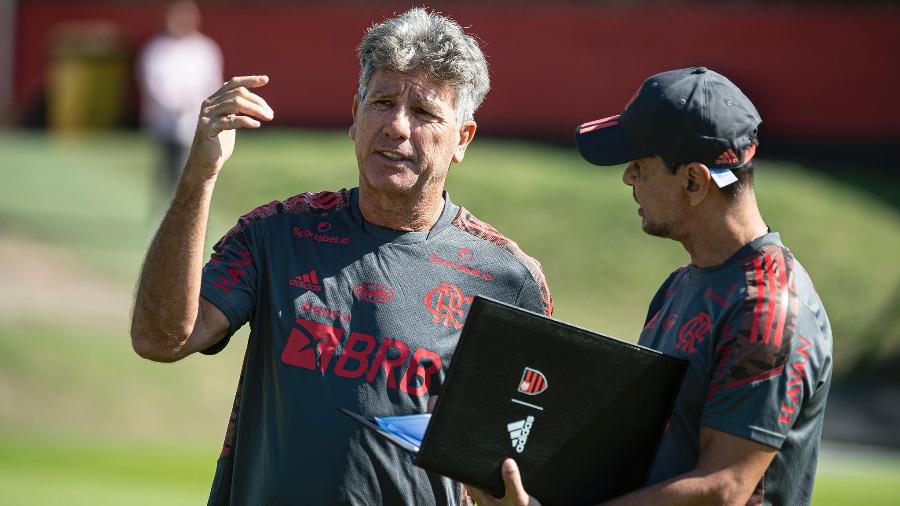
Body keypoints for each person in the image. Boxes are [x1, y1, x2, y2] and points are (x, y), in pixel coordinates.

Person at [130, 8, 553, 506]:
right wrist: (200, 173)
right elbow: (160, 338)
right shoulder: (275, 234)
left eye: (424, 113)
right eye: (383, 102)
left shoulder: (508, 280)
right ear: (355, 118)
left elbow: (516, 466)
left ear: (461, 139)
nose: (397, 126)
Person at [468, 67, 832, 505]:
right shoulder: (681, 283)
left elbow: (724, 488)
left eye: (639, 166)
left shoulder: (768, 309)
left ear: (694, 181)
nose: (627, 179)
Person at [137, 0, 223, 197]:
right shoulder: (157, 48)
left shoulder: (204, 48)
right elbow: (153, 83)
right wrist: (175, 103)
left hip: (198, 119)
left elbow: (213, 83)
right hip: (165, 121)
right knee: (169, 170)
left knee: (197, 169)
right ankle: (166, 208)